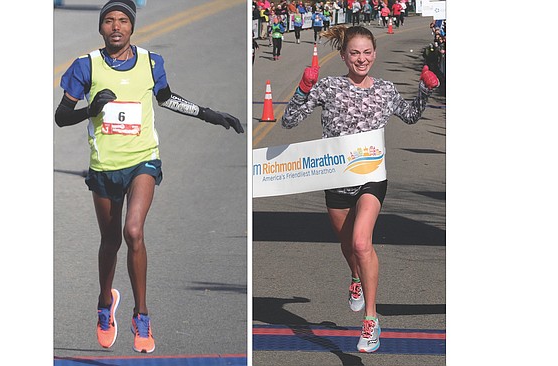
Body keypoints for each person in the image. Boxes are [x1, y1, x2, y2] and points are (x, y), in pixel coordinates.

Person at [54, 0, 244, 354]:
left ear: (132, 26)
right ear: (100, 28)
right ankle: (104, 303)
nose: (115, 26)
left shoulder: (151, 61)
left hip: (143, 160)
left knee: (134, 231)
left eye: (122, 20)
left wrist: (209, 114)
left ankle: (142, 314)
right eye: (108, 20)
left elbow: (167, 99)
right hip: (104, 166)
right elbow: (61, 117)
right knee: (110, 242)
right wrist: (90, 110)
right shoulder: (86, 66)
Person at [281, 25, 439, 353]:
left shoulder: (385, 89)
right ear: (343, 56)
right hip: (335, 179)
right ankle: (355, 278)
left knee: (362, 243)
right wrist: (303, 88)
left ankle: (371, 320)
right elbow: (289, 121)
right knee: (349, 248)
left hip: (371, 177)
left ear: (375, 54)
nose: (361, 58)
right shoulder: (329, 87)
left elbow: (409, 117)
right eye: (355, 53)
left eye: (367, 52)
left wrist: (424, 90)